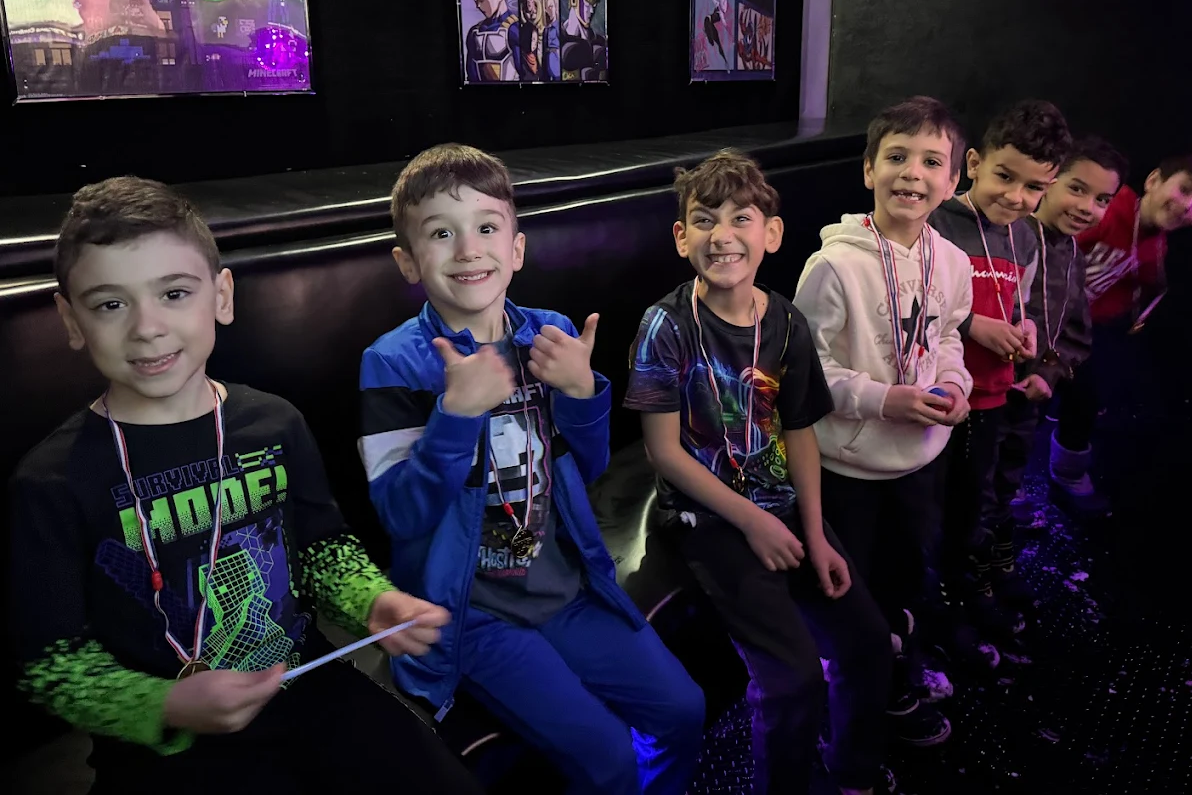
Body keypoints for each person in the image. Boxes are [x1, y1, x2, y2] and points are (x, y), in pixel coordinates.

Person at [9, 177, 482, 795]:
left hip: (306, 688)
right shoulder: (49, 481)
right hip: (162, 745)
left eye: (174, 293)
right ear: (71, 319)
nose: (147, 327)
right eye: (109, 304)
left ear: (221, 296)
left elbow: (321, 551)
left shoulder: (275, 421)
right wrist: (166, 706)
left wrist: (375, 603)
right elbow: (51, 667)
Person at [357, 144, 703, 795]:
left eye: (487, 228)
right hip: (474, 612)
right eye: (440, 233)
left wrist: (580, 393)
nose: (468, 250)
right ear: (408, 260)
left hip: (567, 589)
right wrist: (455, 417)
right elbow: (401, 512)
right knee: (607, 758)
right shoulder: (394, 362)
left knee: (683, 710)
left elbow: (590, 467)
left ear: (516, 248)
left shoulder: (548, 333)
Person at [626, 150, 897, 795]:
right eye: (704, 220)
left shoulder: (786, 322)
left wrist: (815, 532)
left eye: (741, 218)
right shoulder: (664, 327)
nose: (722, 235)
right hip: (704, 519)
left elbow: (799, 430)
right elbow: (665, 453)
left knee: (866, 639)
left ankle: (852, 771)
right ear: (682, 237)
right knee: (792, 677)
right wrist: (754, 524)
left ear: (770, 235)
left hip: (779, 503)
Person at [792, 98, 974, 746]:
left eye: (932, 162)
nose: (913, 174)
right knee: (850, 595)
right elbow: (808, 376)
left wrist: (955, 382)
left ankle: (891, 675)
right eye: (896, 157)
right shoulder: (833, 265)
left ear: (954, 181)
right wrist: (883, 400)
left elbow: (948, 337)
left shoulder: (951, 263)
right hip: (848, 466)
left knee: (905, 577)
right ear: (868, 169)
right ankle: (842, 704)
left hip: (921, 458)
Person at [926, 100, 1071, 657]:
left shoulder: (1028, 236)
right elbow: (911, 303)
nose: (1015, 197)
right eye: (1004, 177)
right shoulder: (938, 223)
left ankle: (965, 589)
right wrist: (971, 323)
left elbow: (1022, 303)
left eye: (1034, 187)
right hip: (942, 393)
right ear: (975, 163)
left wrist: (1026, 333)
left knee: (974, 498)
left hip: (992, 397)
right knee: (933, 503)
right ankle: (931, 601)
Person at [1050, 153, 1192, 513]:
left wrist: (1128, 314)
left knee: (1085, 401)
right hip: (1044, 317)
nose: (1186, 205)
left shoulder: (1156, 244)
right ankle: (1006, 481)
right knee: (1027, 402)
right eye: (1184, 189)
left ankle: (1067, 474)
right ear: (1153, 181)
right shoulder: (1109, 209)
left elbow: (1143, 282)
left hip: (1084, 331)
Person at [996, 138, 1126, 577]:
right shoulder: (1008, 239)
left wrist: (1049, 374)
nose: (1088, 206)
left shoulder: (1070, 252)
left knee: (1008, 473)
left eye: (1103, 199)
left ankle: (994, 567)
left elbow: (1075, 332)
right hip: (984, 394)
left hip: (1026, 400)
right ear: (1048, 183)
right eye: (1077, 188)